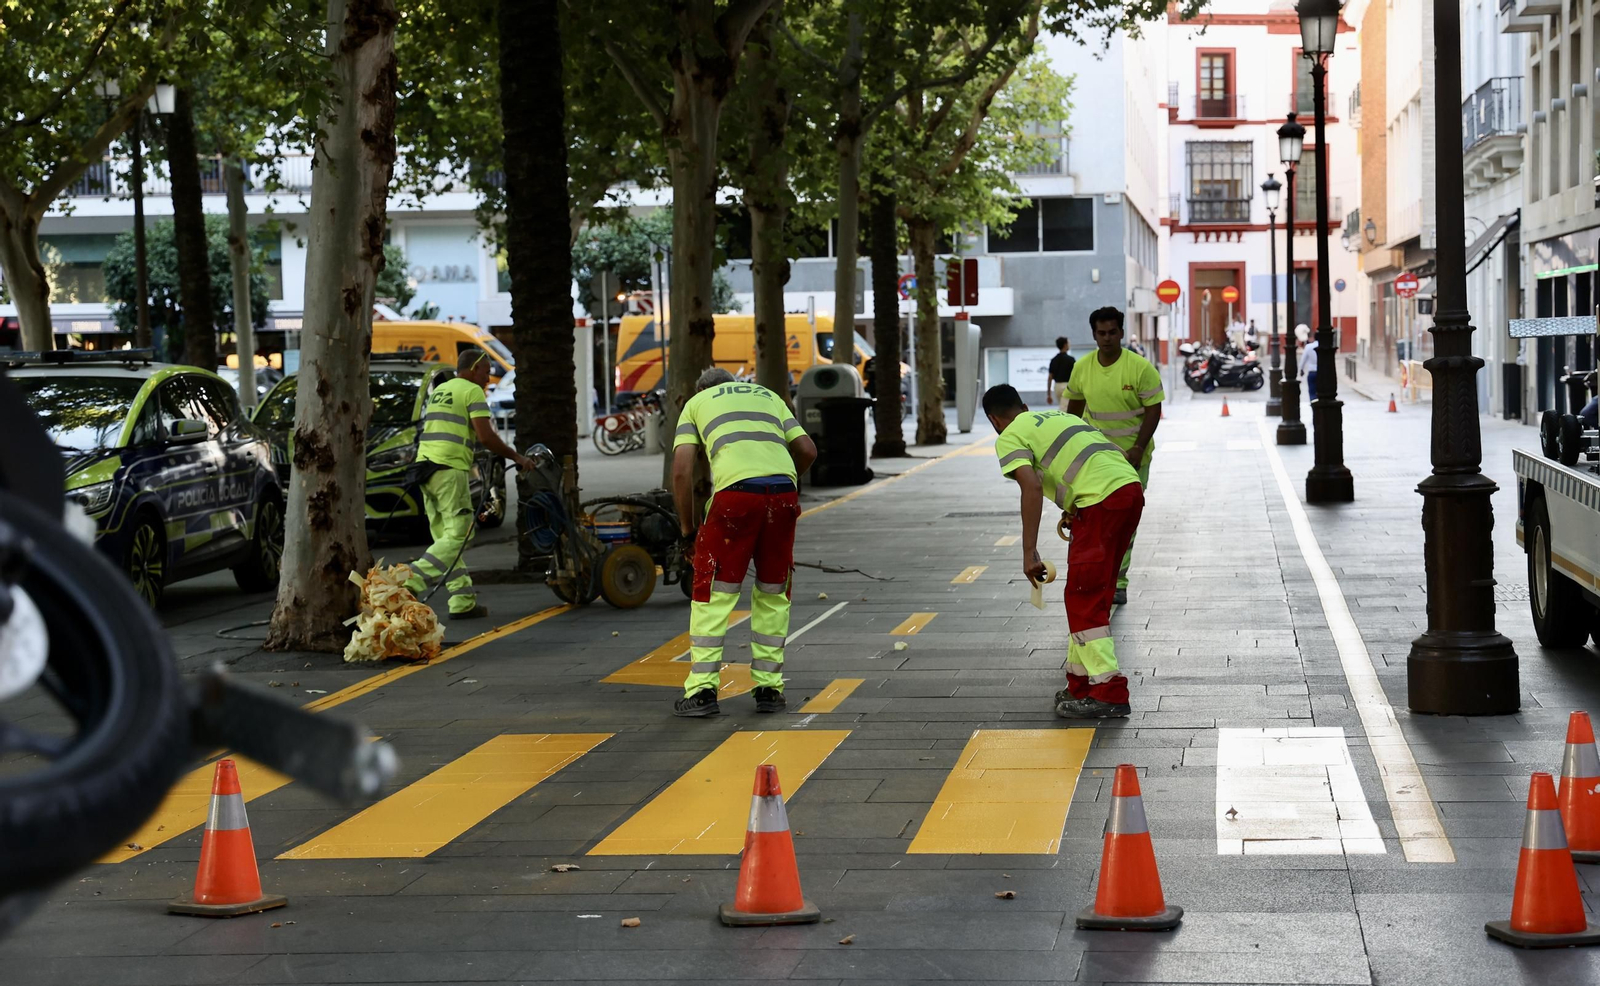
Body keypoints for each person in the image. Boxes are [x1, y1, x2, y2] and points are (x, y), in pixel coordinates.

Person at [984, 385, 1145, 718]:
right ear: (1025, 406)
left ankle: (1108, 691)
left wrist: (1029, 552)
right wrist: (1074, 508)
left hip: (1101, 502)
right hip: (1127, 491)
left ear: (993, 420)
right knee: (1089, 592)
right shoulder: (1055, 415)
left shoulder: (1009, 436)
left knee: (1084, 595)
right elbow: (1083, 462)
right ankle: (1080, 682)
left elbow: (1030, 486)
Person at [671, 367, 818, 718]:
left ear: (702, 387)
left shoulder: (696, 402)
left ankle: (703, 692)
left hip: (734, 497)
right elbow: (808, 450)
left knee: (714, 594)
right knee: (773, 589)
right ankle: (769, 690)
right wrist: (783, 483)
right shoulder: (769, 396)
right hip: (782, 494)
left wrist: (688, 530)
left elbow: (681, 470)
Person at [406, 348, 536, 620]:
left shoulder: (441, 390)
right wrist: (517, 457)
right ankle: (410, 581)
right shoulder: (472, 391)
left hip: (425, 469)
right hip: (449, 471)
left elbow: (452, 431)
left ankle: (462, 601)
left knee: (446, 539)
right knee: (460, 535)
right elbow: (486, 437)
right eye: (486, 372)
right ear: (474, 368)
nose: (488, 379)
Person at [1064, 306, 1162, 605]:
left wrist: (1138, 448)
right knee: (1093, 519)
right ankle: (1099, 575)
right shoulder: (1082, 368)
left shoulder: (1140, 368)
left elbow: (1154, 410)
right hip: (1096, 460)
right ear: (1094, 334)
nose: (1107, 338)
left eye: (1112, 332)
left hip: (1133, 460)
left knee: (1124, 522)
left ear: (1121, 332)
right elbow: (1074, 413)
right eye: (1101, 333)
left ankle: (1119, 581)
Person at [1047, 337, 1076, 409]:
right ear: (1065, 345)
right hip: (1067, 386)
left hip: (1057, 386)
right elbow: (1076, 375)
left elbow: (1050, 377)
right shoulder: (1071, 360)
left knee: (1063, 405)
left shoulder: (1054, 360)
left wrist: (1049, 394)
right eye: (1068, 343)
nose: (1069, 345)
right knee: (1065, 408)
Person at [1299, 324, 1318, 401]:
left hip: (1312, 372)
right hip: (1322, 373)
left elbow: (1303, 360)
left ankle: (1313, 406)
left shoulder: (1309, 347)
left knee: (1312, 392)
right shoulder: (1324, 346)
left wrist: (1301, 370)